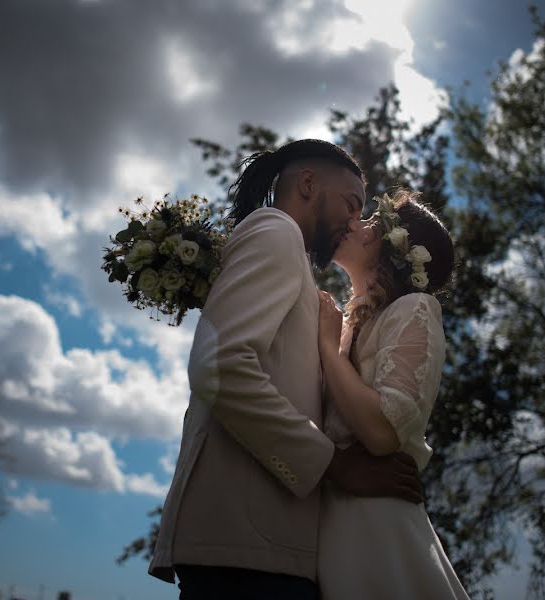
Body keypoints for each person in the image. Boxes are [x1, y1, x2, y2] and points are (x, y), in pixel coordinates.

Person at [149, 139, 423, 600]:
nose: (355, 223)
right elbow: (221, 368)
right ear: (309, 184)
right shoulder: (275, 231)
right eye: (352, 205)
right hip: (248, 552)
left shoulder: (287, 250)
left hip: (262, 549)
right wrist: (333, 465)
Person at [316, 189, 470, 599]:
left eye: (371, 224)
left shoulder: (415, 309)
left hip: (375, 523)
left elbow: (383, 430)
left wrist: (329, 351)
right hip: (329, 518)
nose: (354, 223)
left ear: (398, 251)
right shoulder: (348, 321)